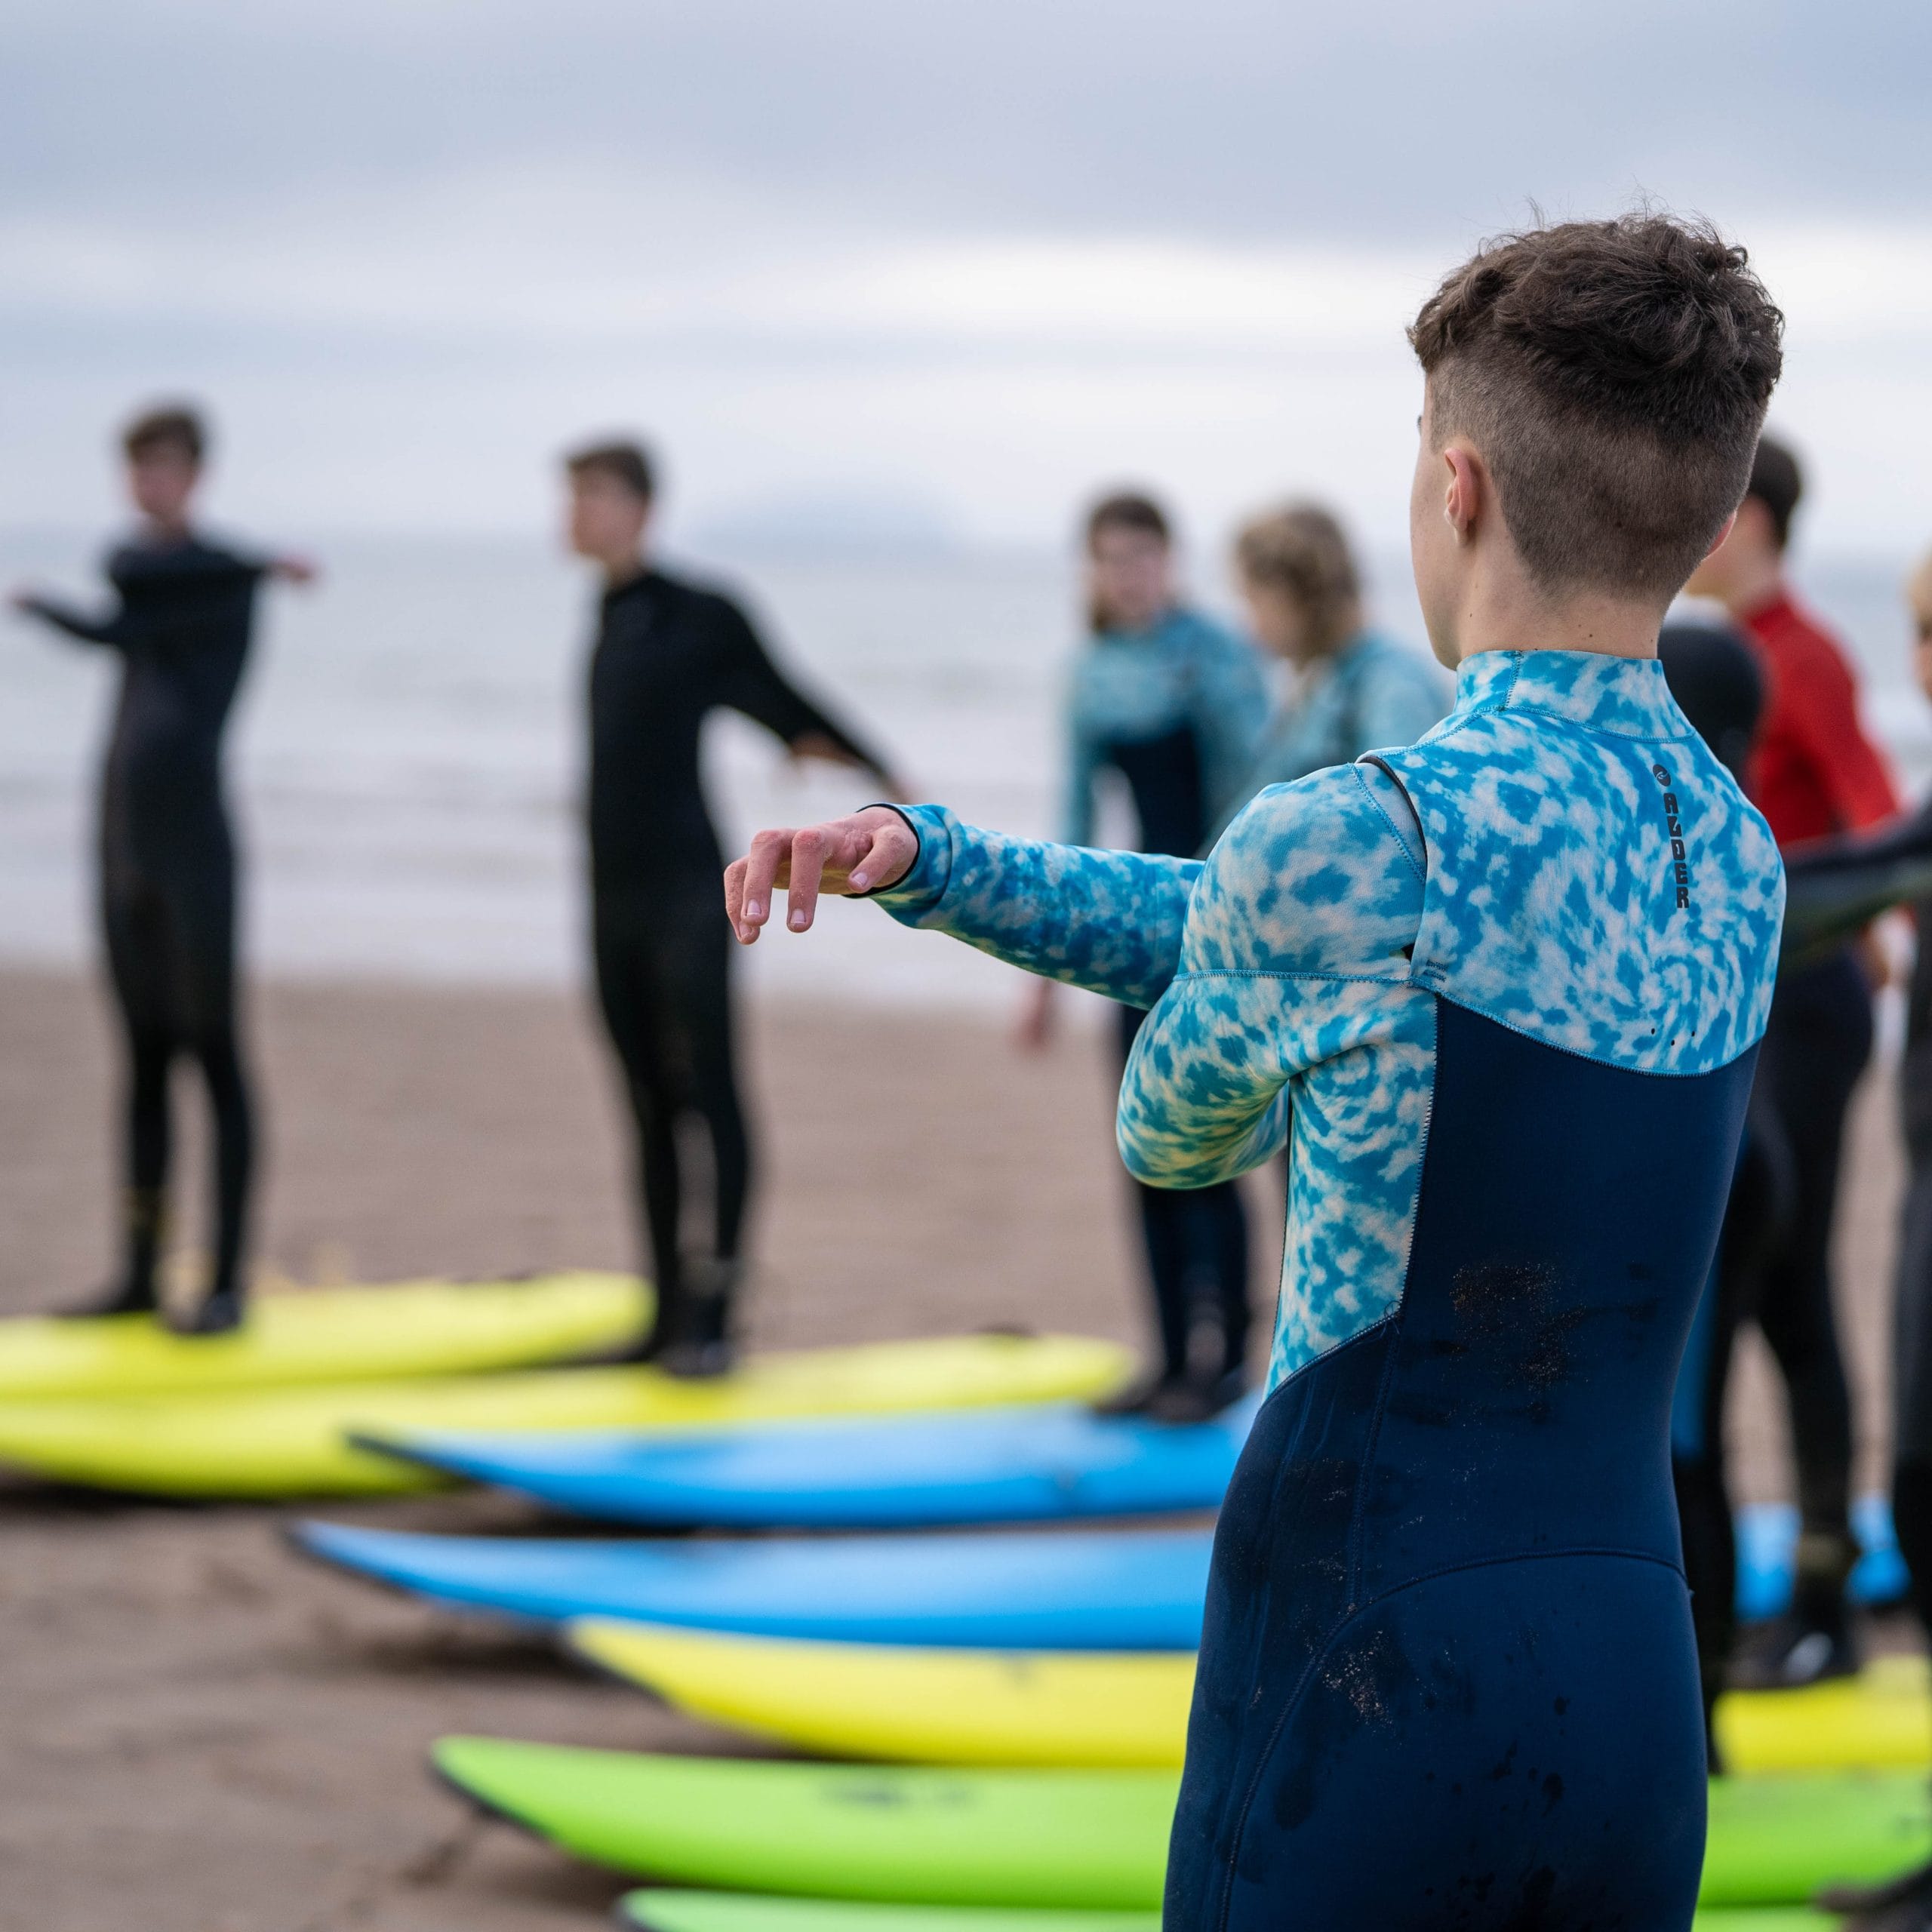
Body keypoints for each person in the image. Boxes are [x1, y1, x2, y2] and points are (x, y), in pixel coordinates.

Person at [724, 214, 1785, 1926]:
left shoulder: (1354, 832)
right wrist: (925, 856)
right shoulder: (1728, 851)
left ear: (1457, 488)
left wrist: (1274, 1044)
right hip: (1626, 1676)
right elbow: (1273, 929)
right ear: (1697, 508)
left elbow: (1174, 1129)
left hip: (1362, 1657)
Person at [565, 438, 902, 1374]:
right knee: (643, 1103)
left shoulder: (697, 613)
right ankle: (665, 1310)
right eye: (573, 496)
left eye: (590, 496)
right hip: (608, 899)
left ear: (637, 506)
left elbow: (782, 693)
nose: (574, 515)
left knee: (710, 1094)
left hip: (686, 894)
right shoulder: (606, 612)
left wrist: (882, 771)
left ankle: (716, 1315)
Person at [10, 404, 313, 1334]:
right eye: (139, 469)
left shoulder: (221, 581)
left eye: (167, 468)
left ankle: (222, 1281)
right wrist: (38, 607)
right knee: (140, 1062)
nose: (152, 485)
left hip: (196, 849)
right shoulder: (154, 585)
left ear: (197, 475)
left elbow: (155, 577)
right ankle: (140, 1272)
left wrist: (260, 565)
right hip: (121, 842)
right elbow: (121, 597)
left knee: (214, 1056)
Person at [1687, 435, 1901, 1686]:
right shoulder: (1710, 657)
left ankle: (1824, 1600)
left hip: (1808, 1013)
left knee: (1792, 1284)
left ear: (1749, 521)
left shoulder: (1803, 657)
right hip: (1750, 1011)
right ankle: (1799, 1600)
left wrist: (1867, 929)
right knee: (1755, 1285)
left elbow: (1881, 816)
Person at [1019, 492, 1268, 1421]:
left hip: (1219, 927)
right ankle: (1167, 1354)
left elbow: (1258, 788)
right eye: (1111, 558)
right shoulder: (1088, 674)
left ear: (1172, 560)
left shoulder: (1215, 653)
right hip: (1131, 942)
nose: (1128, 574)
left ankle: (1227, 1363)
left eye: (1143, 555)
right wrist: (1045, 969)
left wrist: (1231, 918)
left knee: (1217, 1145)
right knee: (1144, 1146)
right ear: (1090, 568)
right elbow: (1076, 827)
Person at [1222, 501, 1448, 825]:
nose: (1249, 624)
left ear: (1298, 594)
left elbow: (1396, 825)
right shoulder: (1324, 680)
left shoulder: (1392, 686)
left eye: (1254, 599)